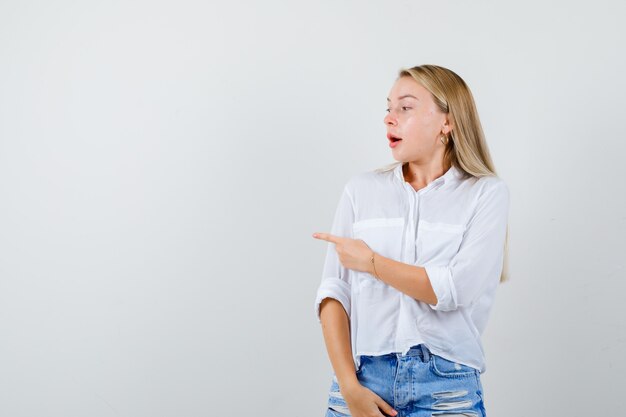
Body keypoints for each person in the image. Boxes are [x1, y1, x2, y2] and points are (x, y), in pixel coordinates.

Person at [312, 64, 510, 417]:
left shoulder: (485, 194)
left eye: (405, 108)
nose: (390, 119)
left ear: (447, 122)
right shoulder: (361, 190)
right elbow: (333, 293)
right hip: (361, 383)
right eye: (388, 108)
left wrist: (371, 263)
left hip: (446, 388)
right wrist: (349, 387)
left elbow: (455, 289)